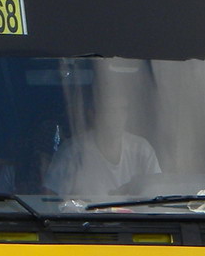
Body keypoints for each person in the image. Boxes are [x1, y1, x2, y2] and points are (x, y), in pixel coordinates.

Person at [43, 65, 160, 198]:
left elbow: (157, 193)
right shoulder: (73, 153)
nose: (118, 117)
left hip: (135, 218)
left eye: (123, 109)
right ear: (92, 114)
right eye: (110, 111)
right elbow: (49, 199)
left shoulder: (142, 150)